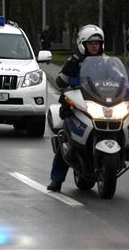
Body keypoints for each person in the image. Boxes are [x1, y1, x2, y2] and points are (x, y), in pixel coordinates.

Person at [47, 25, 104, 192]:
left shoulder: (107, 63)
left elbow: (119, 81)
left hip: (101, 106)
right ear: (83, 44)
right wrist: (69, 87)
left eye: (97, 43)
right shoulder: (74, 62)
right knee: (66, 139)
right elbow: (60, 82)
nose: (95, 46)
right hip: (77, 107)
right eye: (91, 43)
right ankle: (56, 179)